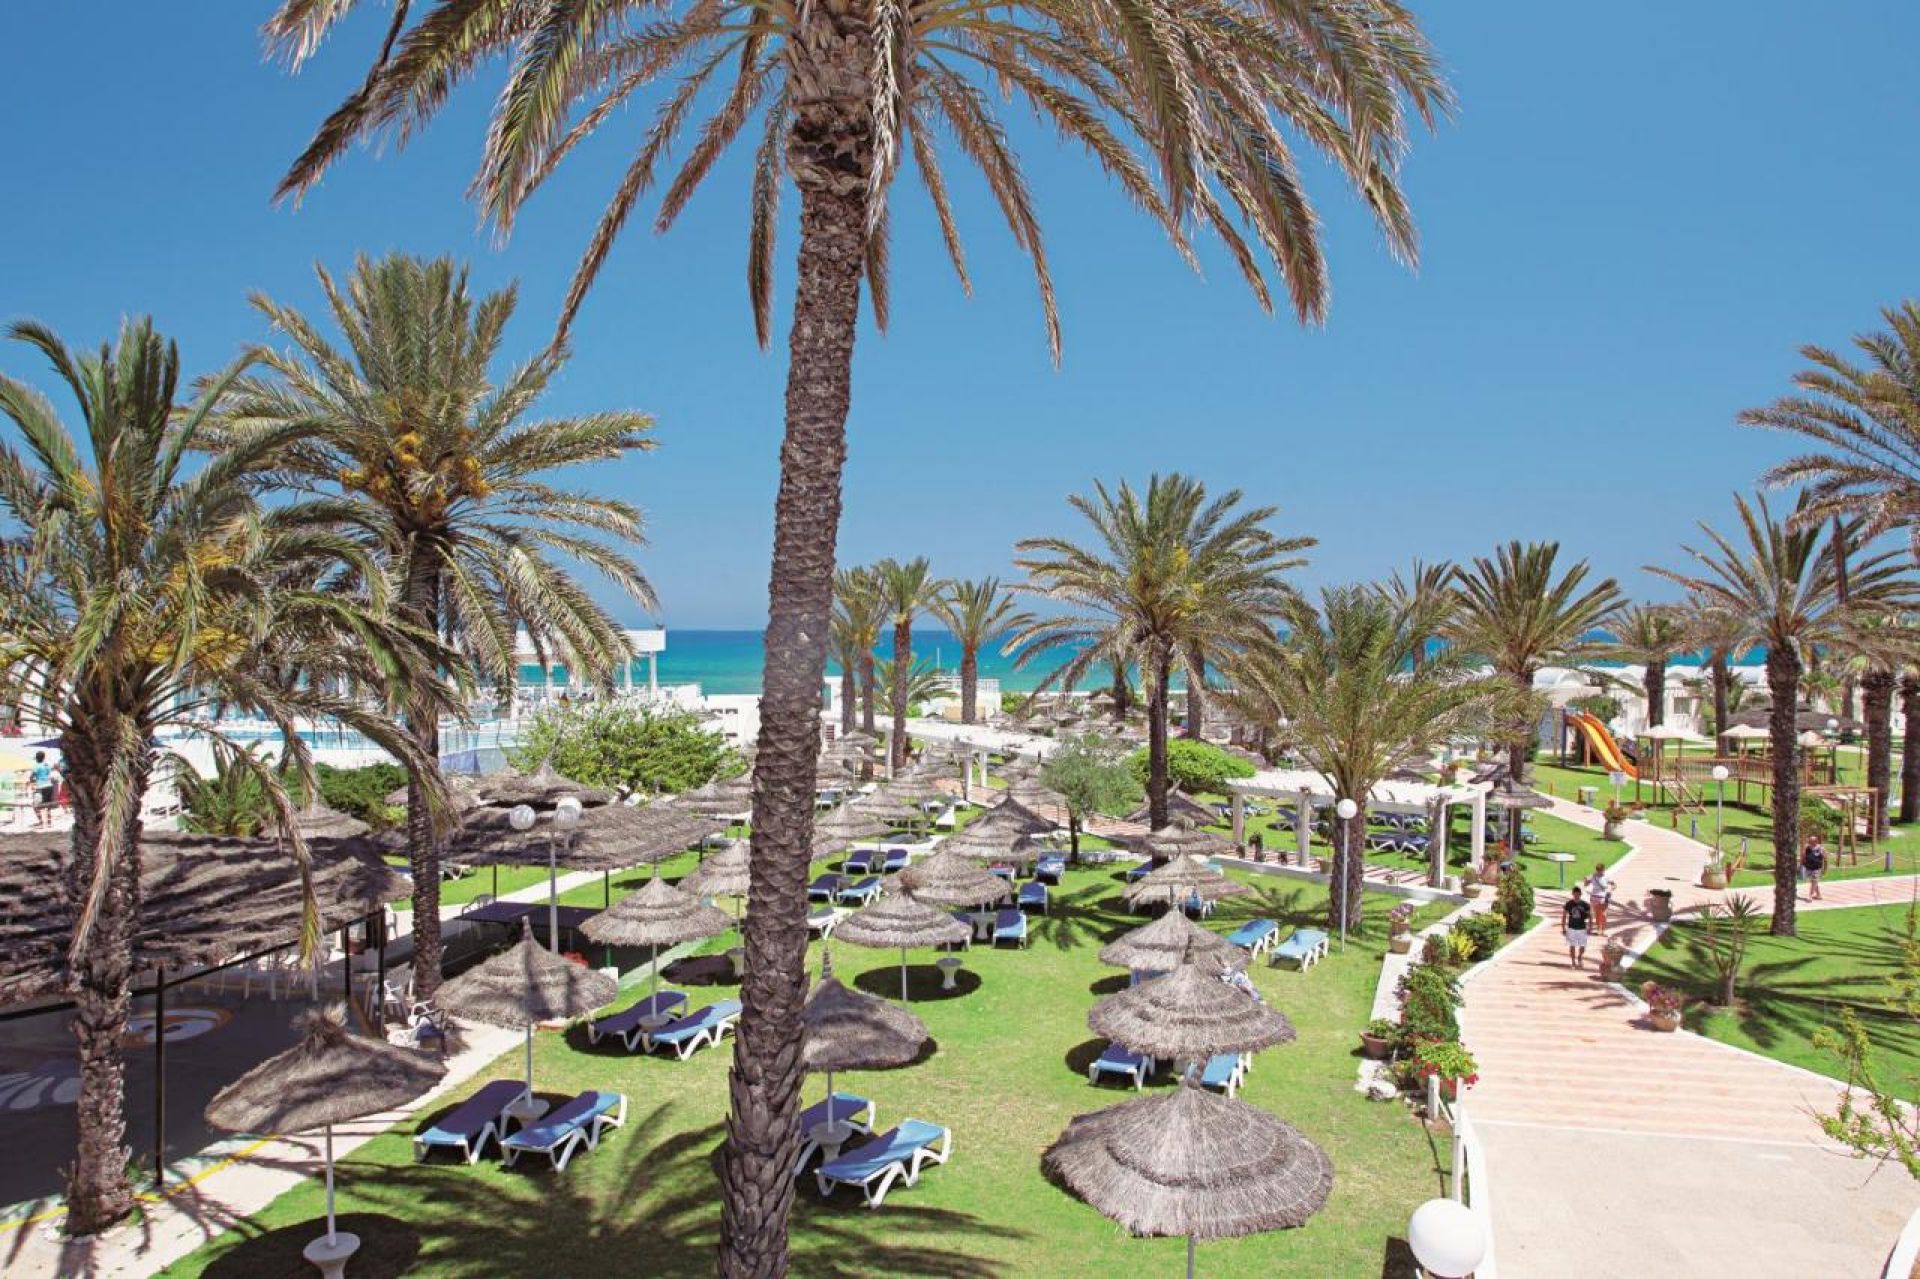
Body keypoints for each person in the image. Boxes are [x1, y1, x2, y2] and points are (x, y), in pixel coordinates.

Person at [1562, 884, 1592, 969]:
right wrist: (1563, 928)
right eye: (1575, 894)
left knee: (1583, 946)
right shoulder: (1568, 904)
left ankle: (1580, 956)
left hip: (1582, 928)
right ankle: (1573, 961)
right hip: (1571, 928)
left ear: (1580, 894)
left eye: (1578, 894)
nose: (1576, 896)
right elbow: (1564, 916)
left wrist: (1590, 927)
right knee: (1572, 945)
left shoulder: (1585, 905)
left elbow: (1590, 916)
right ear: (1572, 894)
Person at [29, 751, 57, 828]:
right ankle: (49, 822)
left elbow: (31, 776)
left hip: (41, 787)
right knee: (48, 805)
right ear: (44, 758)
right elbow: (48, 774)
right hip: (49, 786)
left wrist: (32, 783)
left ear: (36, 758)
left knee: (35, 806)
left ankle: (41, 822)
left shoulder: (36, 766)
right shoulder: (47, 765)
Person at [1586, 863, 1614, 935]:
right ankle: (1599, 929)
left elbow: (1614, 885)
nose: (1600, 871)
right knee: (1597, 914)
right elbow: (1586, 884)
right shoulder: (1592, 876)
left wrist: (1610, 891)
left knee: (1603, 914)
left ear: (1603, 870)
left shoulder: (1606, 877)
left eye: (1601, 870)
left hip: (1603, 897)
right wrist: (1586, 880)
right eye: (1598, 870)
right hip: (1594, 897)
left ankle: (1603, 929)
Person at [1802, 835, 1827, 902]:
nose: (1809, 842)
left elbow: (1825, 859)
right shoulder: (1807, 847)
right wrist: (1802, 865)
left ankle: (1810, 896)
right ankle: (1818, 895)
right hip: (1809, 868)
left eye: (1811, 841)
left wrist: (1825, 869)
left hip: (1817, 869)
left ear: (1816, 841)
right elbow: (1803, 856)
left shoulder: (1821, 848)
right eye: (1809, 840)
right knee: (1813, 881)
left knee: (1814, 881)